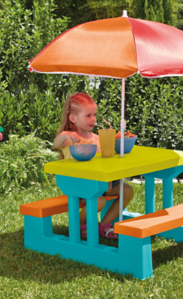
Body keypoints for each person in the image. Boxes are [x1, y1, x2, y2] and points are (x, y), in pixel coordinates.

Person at [53, 92, 134, 240]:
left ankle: (103, 224)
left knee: (127, 190)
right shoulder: (69, 138)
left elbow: (103, 163)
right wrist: (65, 136)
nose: (93, 119)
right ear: (73, 118)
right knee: (99, 201)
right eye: (88, 115)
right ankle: (79, 224)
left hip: (100, 183)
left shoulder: (98, 138)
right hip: (79, 184)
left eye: (94, 115)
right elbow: (56, 143)